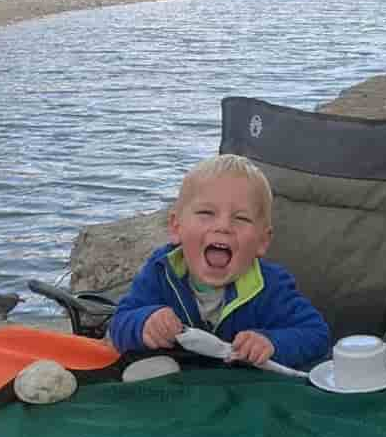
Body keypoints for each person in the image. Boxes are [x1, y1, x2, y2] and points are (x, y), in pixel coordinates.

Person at [109, 154, 330, 369]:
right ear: (177, 227)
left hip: (243, 393)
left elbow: (316, 334)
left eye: (241, 218)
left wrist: (272, 342)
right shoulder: (160, 272)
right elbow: (120, 323)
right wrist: (144, 323)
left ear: (262, 241)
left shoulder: (271, 286)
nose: (223, 226)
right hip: (178, 389)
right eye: (206, 212)